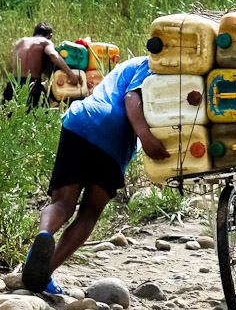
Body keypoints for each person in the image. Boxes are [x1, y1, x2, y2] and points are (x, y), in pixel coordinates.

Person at [21, 55, 170, 294]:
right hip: (115, 139)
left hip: (81, 121)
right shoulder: (154, 64)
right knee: (88, 214)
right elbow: (132, 98)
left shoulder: (125, 68)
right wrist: (146, 138)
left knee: (62, 203)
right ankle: (45, 271)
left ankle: (44, 235)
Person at [4, 22, 80, 108]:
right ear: (49, 36)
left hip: (13, 84)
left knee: (8, 116)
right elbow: (53, 55)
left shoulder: (20, 41)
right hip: (32, 85)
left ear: (34, 33)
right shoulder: (45, 42)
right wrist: (71, 74)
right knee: (39, 117)